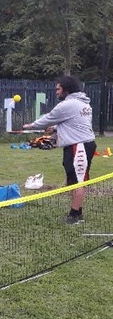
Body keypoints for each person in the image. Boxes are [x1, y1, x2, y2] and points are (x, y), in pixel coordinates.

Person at [23, 75, 96, 224]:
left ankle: (75, 215)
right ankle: (77, 211)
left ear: (66, 89)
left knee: (78, 181)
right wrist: (56, 128)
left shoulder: (68, 105)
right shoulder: (82, 104)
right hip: (77, 145)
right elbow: (74, 122)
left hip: (79, 146)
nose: (56, 92)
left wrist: (32, 126)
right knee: (74, 179)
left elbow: (49, 117)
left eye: (58, 89)